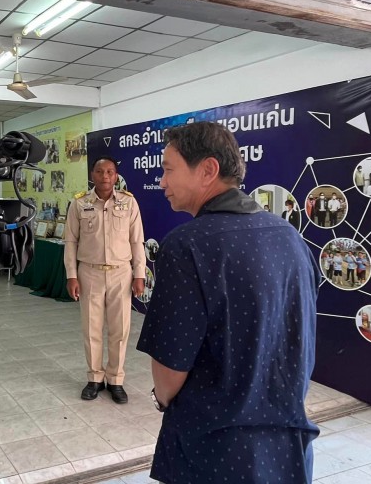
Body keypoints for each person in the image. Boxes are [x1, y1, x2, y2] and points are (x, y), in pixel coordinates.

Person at [137, 121, 319, 483]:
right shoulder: (290, 237)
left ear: (207, 170)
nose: (161, 181)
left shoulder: (186, 246)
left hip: (214, 452)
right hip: (289, 448)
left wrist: (160, 398)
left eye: (168, 170)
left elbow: (169, 373)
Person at [64, 156, 145, 404]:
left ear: (116, 175)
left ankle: (116, 380)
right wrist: (71, 275)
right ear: (93, 175)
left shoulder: (129, 202)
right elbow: (70, 242)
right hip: (90, 272)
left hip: (121, 272)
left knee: (120, 329)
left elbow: (136, 240)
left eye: (110, 172)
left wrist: (140, 274)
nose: (105, 176)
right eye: (100, 171)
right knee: (92, 328)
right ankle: (95, 378)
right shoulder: (80, 204)